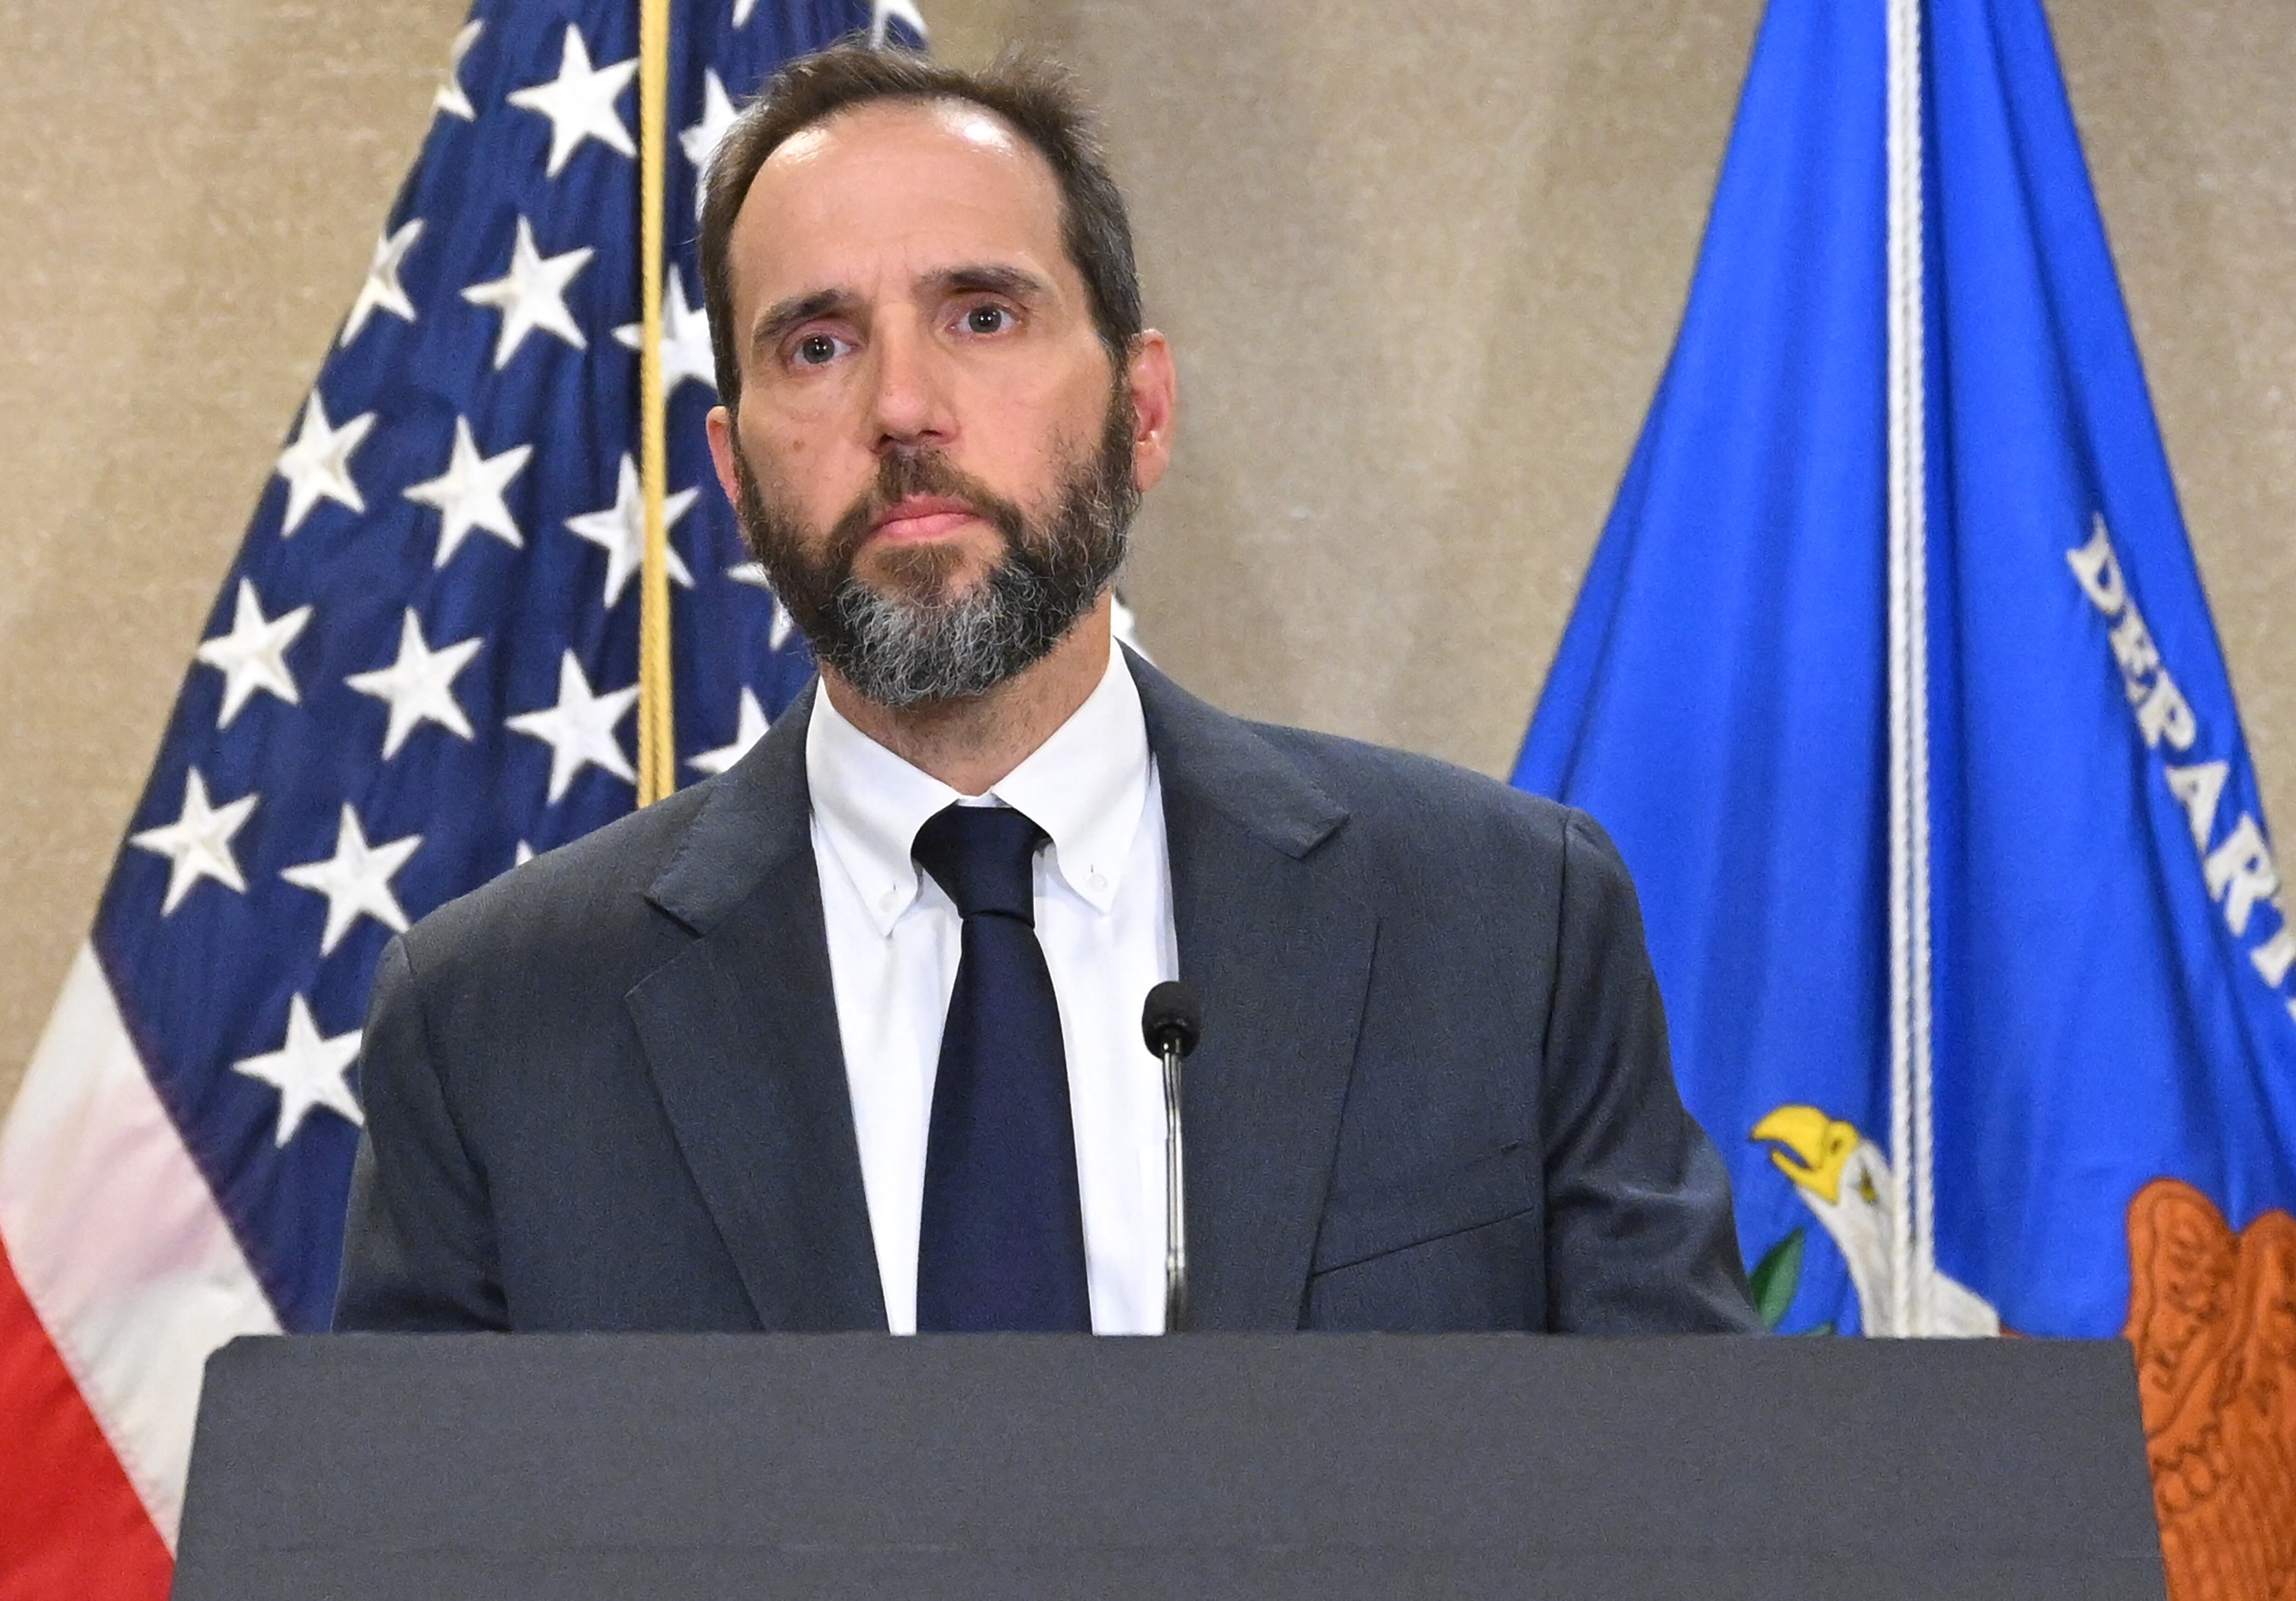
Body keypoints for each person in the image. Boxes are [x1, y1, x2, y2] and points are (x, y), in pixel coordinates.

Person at [333, 43, 1759, 1336]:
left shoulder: (1506, 928)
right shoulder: (494, 1026)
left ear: (1141, 411)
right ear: (732, 469)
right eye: (816, 346)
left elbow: (1690, 1506)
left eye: (983, 317)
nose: (902, 406)